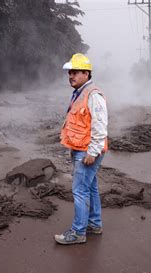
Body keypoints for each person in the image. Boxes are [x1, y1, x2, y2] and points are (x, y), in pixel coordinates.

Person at [54, 53, 108, 245]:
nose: (71, 76)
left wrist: (92, 152)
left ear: (86, 73)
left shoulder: (93, 95)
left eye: (75, 72)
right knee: (90, 188)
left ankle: (78, 232)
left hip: (87, 152)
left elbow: (100, 127)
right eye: (70, 72)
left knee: (79, 190)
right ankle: (94, 224)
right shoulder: (80, 92)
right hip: (82, 149)